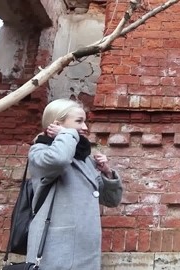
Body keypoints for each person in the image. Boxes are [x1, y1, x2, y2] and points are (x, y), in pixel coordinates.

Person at [26, 98, 123, 269]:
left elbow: (111, 200)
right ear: (57, 124)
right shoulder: (40, 151)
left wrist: (107, 172)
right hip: (57, 247)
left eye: (85, 121)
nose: (85, 128)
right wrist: (66, 134)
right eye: (79, 121)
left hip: (84, 248)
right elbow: (59, 159)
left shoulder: (84, 159)